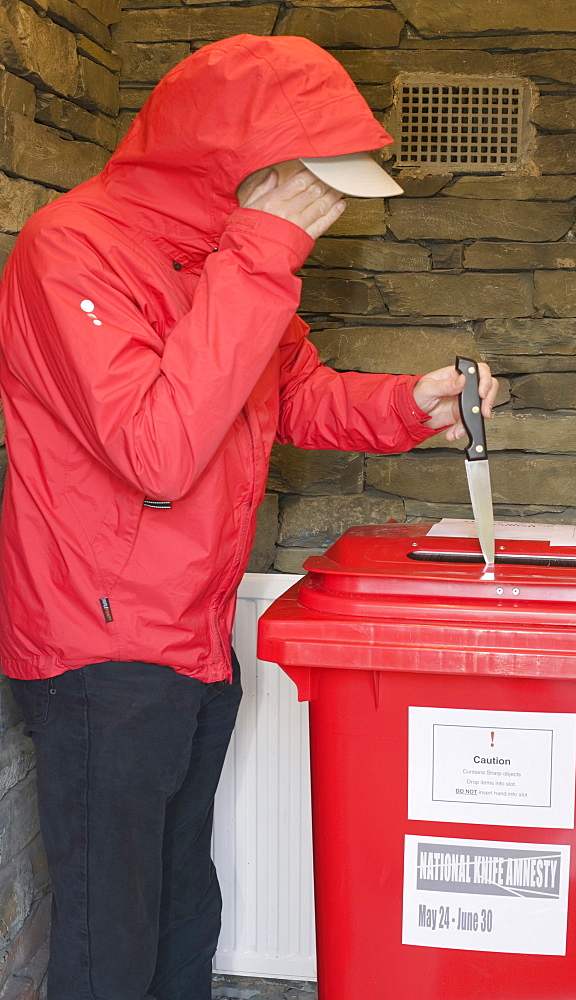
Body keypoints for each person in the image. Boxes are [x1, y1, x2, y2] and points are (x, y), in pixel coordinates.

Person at [0, 34, 498, 1000]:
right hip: (97, 650)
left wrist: (414, 403)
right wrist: (265, 251)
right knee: (114, 930)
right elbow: (157, 448)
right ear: (236, 166)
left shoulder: (227, 263)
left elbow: (293, 394)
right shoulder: (72, 251)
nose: (324, 204)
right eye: (308, 180)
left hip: (191, 632)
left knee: (185, 896)